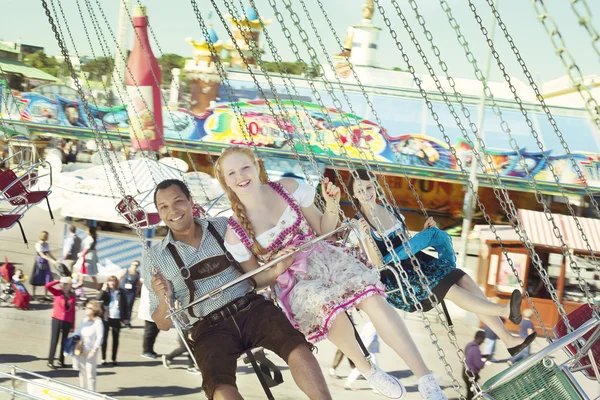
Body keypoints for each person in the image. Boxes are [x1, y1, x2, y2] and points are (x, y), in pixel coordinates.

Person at [217, 146, 445, 399]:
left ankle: (425, 378)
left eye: (245, 167)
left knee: (372, 298)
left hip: (323, 256)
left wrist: (332, 204)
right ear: (226, 181)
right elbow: (254, 281)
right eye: (232, 173)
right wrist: (279, 266)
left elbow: (323, 228)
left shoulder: (289, 188)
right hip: (294, 281)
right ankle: (367, 368)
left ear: (257, 166)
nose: (241, 176)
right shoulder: (235, 232)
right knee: (325, 307)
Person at [143, 178, 332, 400]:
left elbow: (259, 260)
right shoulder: (155, 259)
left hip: (251, 308)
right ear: (158, 212)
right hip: (208, 328)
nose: (172, 211)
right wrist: (162, 296)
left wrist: (280, 261)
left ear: (191, 201)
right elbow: (162, 323)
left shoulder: (223, 227)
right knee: (219, 386)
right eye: (163, 207)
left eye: (178, 201)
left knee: (296, 346)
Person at [348, 169, 537, 359]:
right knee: (450, 289)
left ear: (375, 187)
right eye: (360, 190)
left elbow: (407, 244)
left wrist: (425, 232)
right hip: (399, 279)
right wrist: (366, 237)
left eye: (369, 187)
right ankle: (503, 310)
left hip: (418, 263)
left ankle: (508, 340)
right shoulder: (358, 223)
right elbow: (377, 263)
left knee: (465, 280)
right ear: (354, 194)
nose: (366, 193)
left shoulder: (391, 212)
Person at [45, 276, 76, 369]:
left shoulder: (73, 295)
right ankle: (50, 361)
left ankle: (61, 360)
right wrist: (58, 280)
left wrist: (73, 324)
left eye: (66, 284)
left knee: (64, 341)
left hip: (67, 320)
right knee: (54, 340)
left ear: (70, 285)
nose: (64, 285)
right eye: (62, 283)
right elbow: (47, 286)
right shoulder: (57, 292)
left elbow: (73, 310)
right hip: (57, 318)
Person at [73, 301, 104, 391]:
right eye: (86, 307)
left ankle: (91, 392)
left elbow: (100, 338)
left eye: (89, 308)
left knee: (90, 374)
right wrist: (73, 337)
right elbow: (78, 331)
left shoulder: (98, 322)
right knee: (82, 372)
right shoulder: (85, 320)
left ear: (94, 310)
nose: (87, 310)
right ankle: (83, 390)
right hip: (81, 349)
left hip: (91, 351)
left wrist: (94, 351)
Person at [97, 276, 128, 366]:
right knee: (104, 338)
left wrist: (125, 317)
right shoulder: (106, 291)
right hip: (106, 318)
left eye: (114, 282)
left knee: (115, 339)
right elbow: (98, 298)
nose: (112, 284)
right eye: (110, 282)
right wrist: (103, 289)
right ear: (107, 283)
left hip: (117, 318)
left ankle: (114, 358)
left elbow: (125, 305)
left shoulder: (121, 292)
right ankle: (103, 358)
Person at [31, 231, 58, 301]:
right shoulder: (38, 244)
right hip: (39, 262)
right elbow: (42, 255)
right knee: (36, 277)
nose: (46, 237)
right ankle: (33, 294)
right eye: (46, 236)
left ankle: (46, 295)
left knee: (47, 278)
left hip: (45, 262)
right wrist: (52, 260)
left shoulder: (47, 244)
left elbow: (49, 253)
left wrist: (56, 260)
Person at [138, 282, 160, 359]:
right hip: (150, 310)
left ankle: (150, 349)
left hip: (156, 310)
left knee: (155, 331)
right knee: (150, 331)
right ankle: (146, 351)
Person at [116, 260, 141, 328]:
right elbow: (118, 278)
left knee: (129, 307)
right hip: (122, 291)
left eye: (136, 265)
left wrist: (137, 292)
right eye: (133, 264)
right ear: (131, 264)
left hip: (131, 293)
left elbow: (139, 284)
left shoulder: (137, 273)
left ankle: (127, 322)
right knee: (121, 307)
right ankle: (120, 321)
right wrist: (116, 288)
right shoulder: (125, 270)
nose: (134, 266)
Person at [463, 330, 486, 400]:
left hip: (465, 372)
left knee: (470, 392)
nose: (483, 342)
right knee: (473, 394)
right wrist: (484, 362)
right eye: (483, 339)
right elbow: (479, 364)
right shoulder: (475, 349)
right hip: (471, 375)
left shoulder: (469, 345)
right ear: (480, 338)